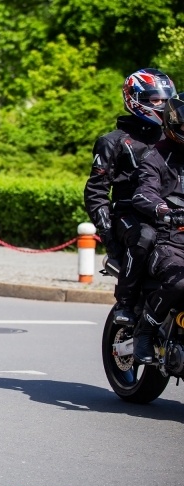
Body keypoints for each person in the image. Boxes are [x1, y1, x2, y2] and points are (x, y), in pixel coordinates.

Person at [84, 68, 176, 326]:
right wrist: (109, 237)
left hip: (168, 214)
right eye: (157, 100)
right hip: (129, 216)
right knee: (145, 235)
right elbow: (95, 191)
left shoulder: (172, 139)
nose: (164, 105)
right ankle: (125, 302)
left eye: (168, 99)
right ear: (136, 99)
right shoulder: (112, 142)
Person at [131, 93, 184, 363]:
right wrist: (165, 211)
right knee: (181, 284)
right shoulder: (156, 156)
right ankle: (146, 330)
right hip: (169, 240)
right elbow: (143, 193)